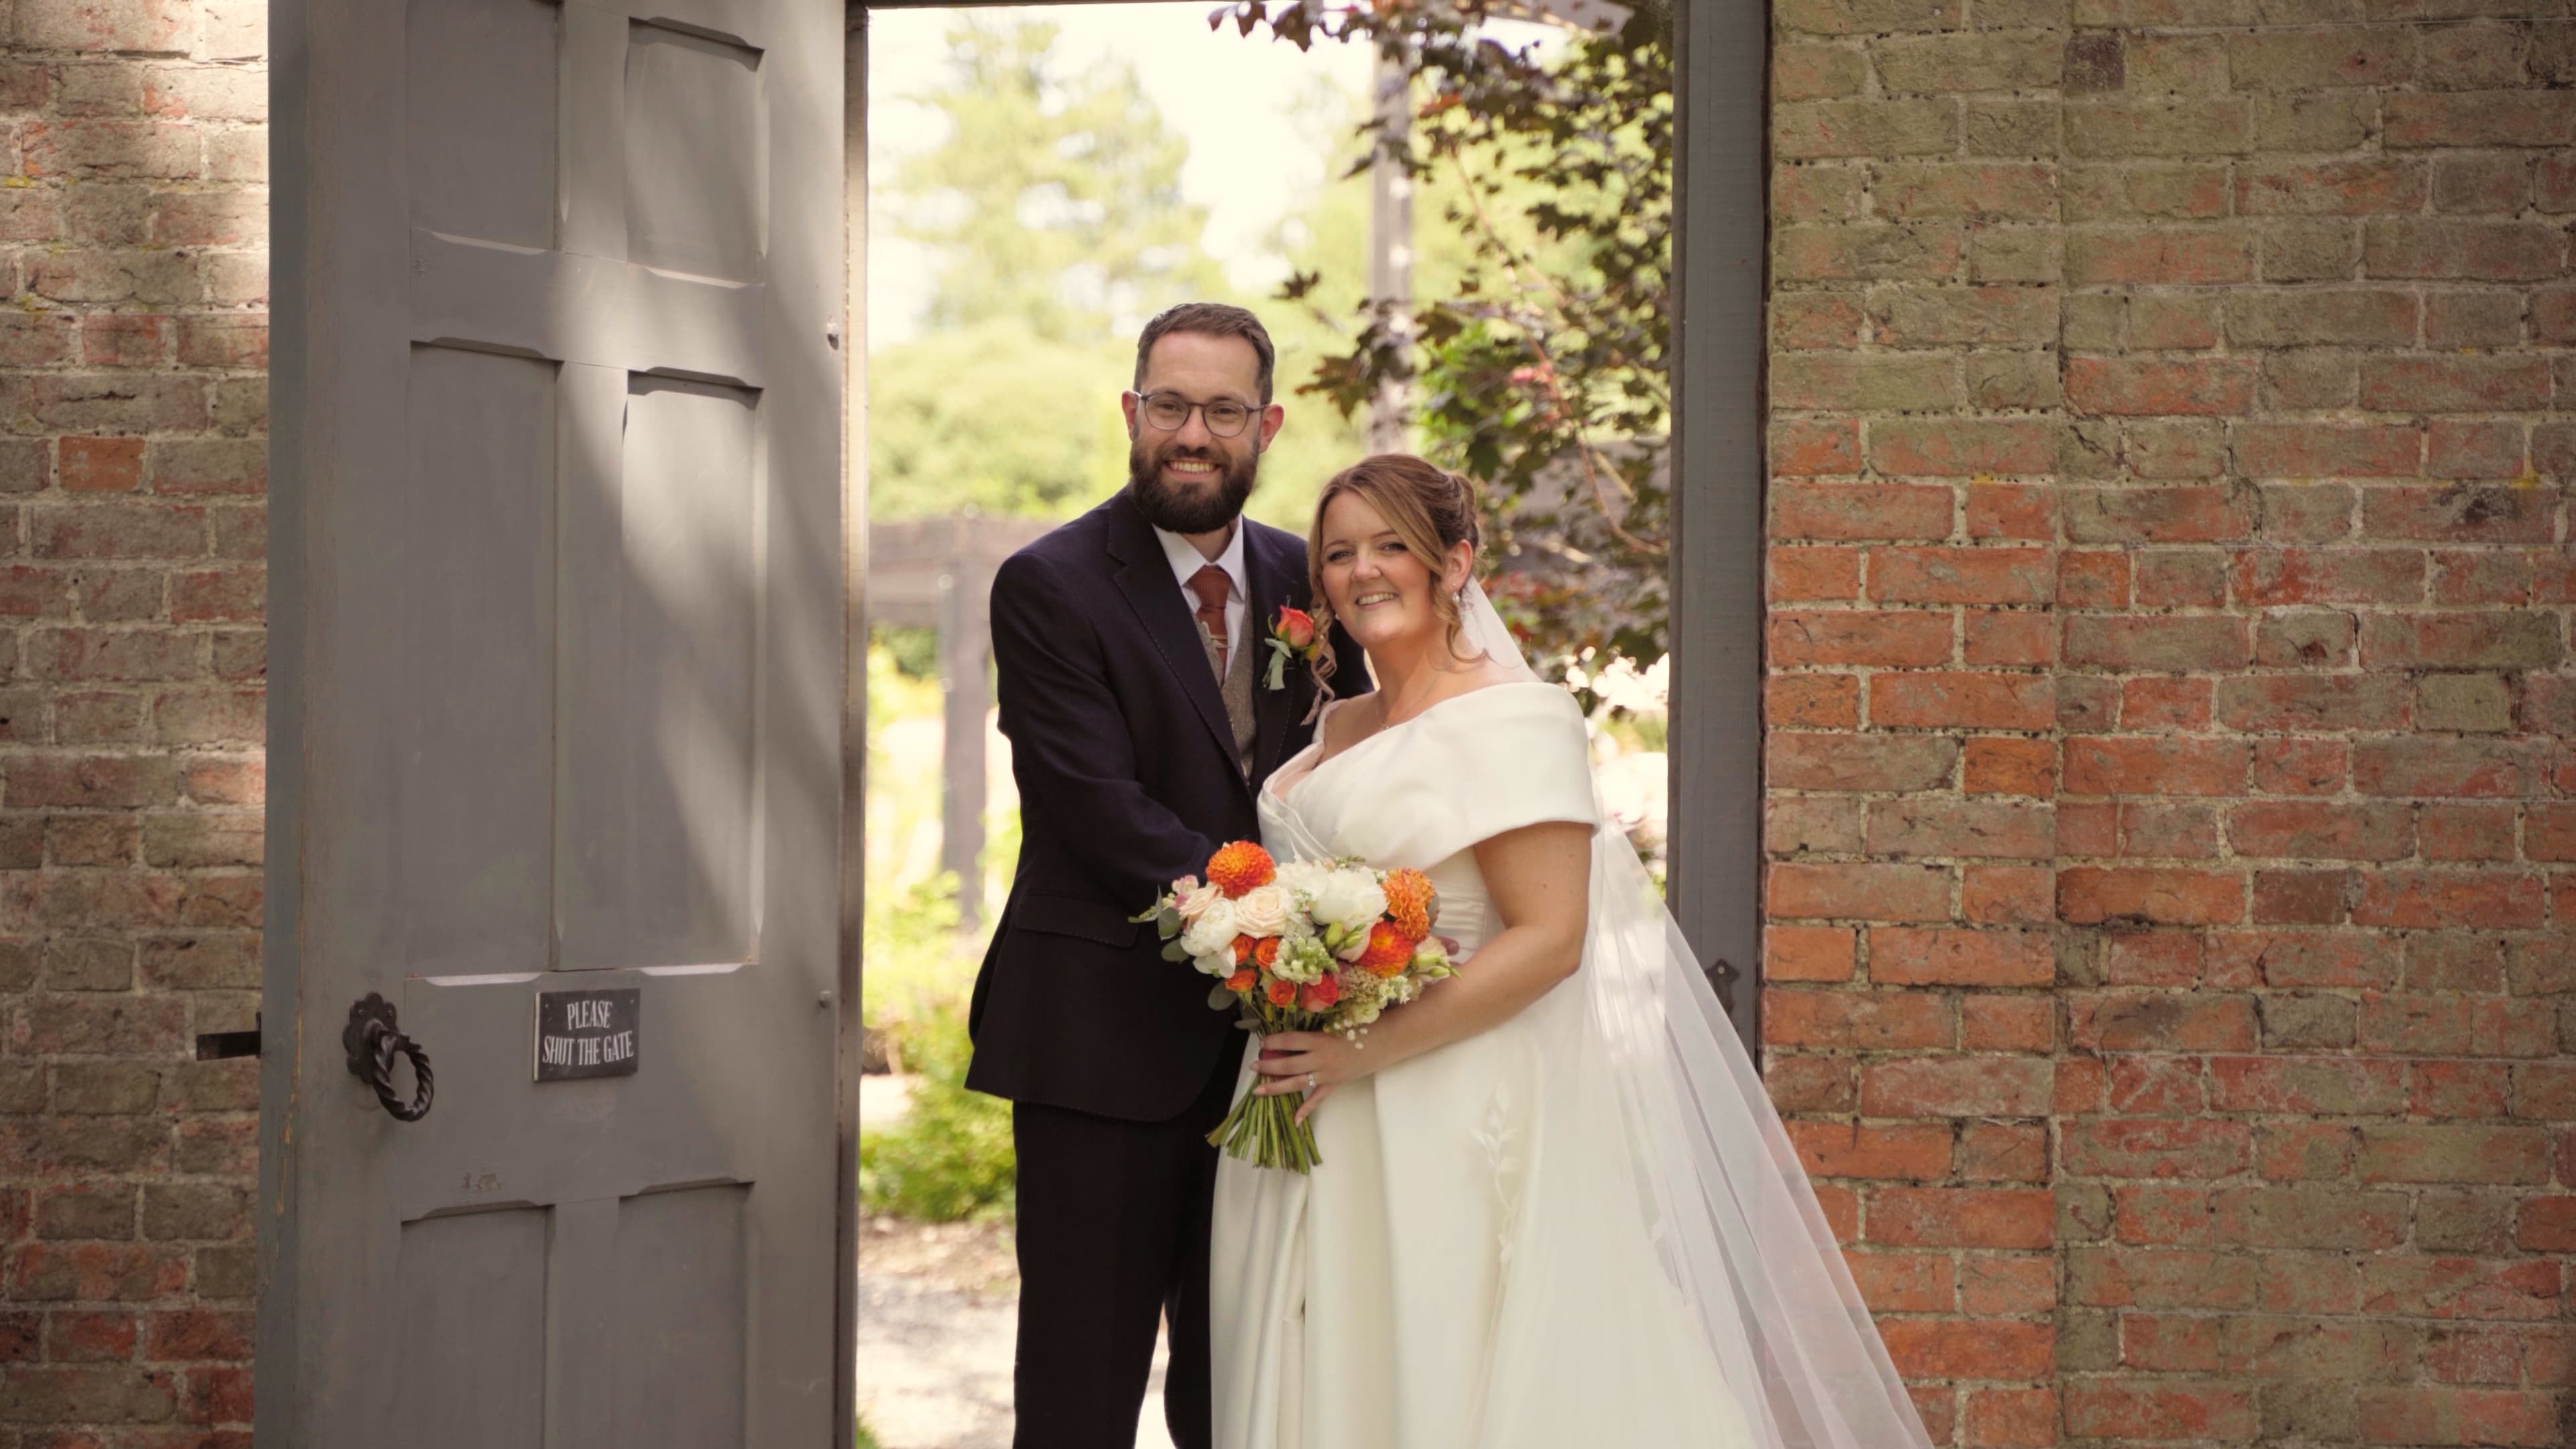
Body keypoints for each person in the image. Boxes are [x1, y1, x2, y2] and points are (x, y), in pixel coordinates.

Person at [1211, 454, 1937, 1449]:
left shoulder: (1515, 719)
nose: (1363, 571)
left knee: (1433, 1361)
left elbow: (1552, 941)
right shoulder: (1337, 722)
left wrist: (1356, 1052)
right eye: (1340, 554)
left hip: (1435, 1101)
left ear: (1454, 562)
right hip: (1307, 1100)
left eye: (1392, 546)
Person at [965, 302, 1367, 1449]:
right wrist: (1291, 923)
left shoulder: (1312, 575)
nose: (1194, 434)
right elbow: (1095, 809)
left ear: (1268, 425)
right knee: (1083, 1391)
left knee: (1245, 1387)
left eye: (1224, 411)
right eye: (1172, 406)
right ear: (1133, 412)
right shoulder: (1050, 585)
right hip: (1100, 1045)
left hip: (1277, 1058)